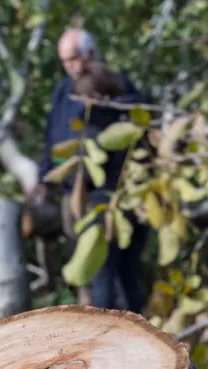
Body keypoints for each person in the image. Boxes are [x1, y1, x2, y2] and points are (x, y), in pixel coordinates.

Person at [31, 29, 150, 312]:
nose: (70, 66)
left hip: (112, 196)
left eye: (74, 58)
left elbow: (139, 123)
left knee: (113, 270)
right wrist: (43, 177)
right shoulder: (63, 90)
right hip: (76, 192)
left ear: (91, 55)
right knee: (91, 269)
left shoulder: (118, 88)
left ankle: (123, 328)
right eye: (65, 61)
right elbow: (53, 136)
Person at [67, 62, 151, 314]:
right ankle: (140, 335)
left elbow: (86, 182)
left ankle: (105, 343)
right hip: (136, 209)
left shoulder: (93, 131)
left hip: (104, 210)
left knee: (103, 281)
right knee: (130, 276)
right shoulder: (137, 123)